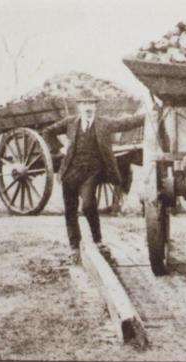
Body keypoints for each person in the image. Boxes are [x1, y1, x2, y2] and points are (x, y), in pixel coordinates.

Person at [42, 92, 144, 264]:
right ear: (79, 106)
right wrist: (58, 149)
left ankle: (98, 240)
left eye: (91, 104)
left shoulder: (104, 123)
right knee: (70, 211)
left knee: (89, 205)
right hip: (70, 172)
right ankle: (74, 247)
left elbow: (126, 123)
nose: (88, 107)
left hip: (92, 173)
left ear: (96, 106)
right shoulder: (71, 122)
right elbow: (47, 131)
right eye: (84, 104)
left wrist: (148, 115)